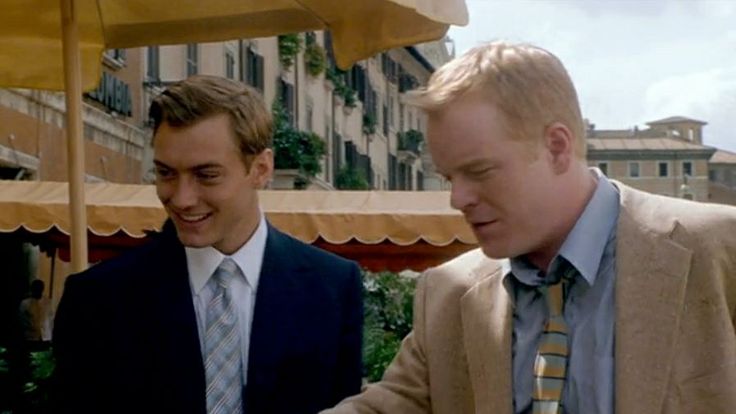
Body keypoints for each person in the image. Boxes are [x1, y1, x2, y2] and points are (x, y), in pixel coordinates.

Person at [323, 41, 736, 414]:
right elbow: (398, 403)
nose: (458, 199)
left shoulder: (717, 249)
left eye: (479, 171)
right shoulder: (448, 291)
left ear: (557, 147)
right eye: (450, 178)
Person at [53, 75, 364, 414]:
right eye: (166, 173)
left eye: (206, 175)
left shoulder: (332, 287)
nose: (182, 199)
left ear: (261, 169)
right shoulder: (98, 299)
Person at [19, 279, 53, 348]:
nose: (38, 290)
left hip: (45, 337)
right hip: (31, 337)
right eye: (36, 288)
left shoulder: (48, 302)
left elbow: (51, 318)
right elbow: (21, 320)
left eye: (39, 288)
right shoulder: (25, 303)